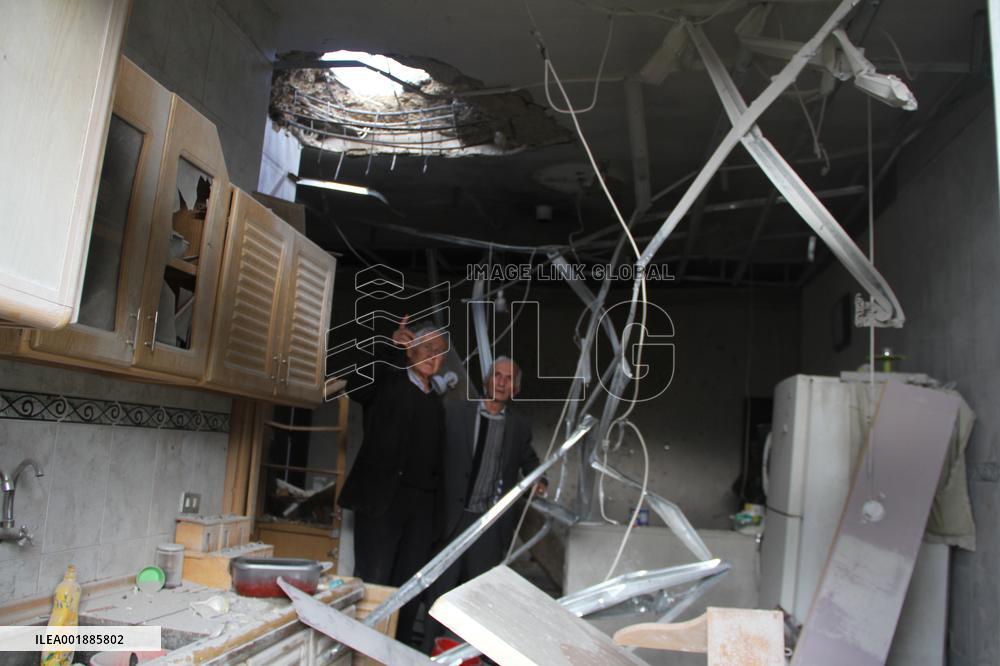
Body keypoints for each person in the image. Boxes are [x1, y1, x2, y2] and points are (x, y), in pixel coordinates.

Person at [338, 316, 447, 645]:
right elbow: (354, 386)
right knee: (375, 581)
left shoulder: (437, 401)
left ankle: (393, 651)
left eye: (440, 351)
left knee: (408, 586)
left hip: (421, 510)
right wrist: (387, 346)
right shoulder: (387, 378)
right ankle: (362, 650)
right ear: (411, 349)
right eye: (426, 347)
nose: (433, 355)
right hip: (382, 502)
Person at [424, 356, 545, 651]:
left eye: (509, 379)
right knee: (440, 593)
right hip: (452, 518)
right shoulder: (455, 411)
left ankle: (471, 656)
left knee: (480, 598)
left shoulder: (519, 425)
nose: (502, 383)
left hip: (490, 524)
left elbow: (529, 460)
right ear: (487, 380)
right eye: (497, 376)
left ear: (515, 389)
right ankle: (428, 652)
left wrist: (540, 481)